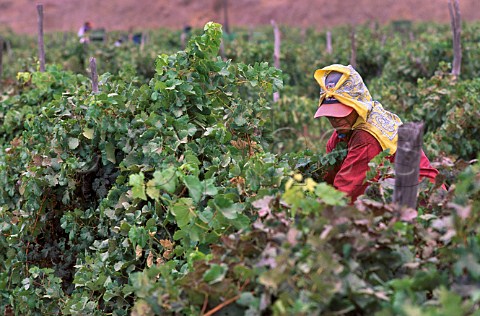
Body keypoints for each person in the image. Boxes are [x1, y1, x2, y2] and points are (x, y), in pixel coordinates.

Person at [313, 64, 441, 203]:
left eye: (342, 113)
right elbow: (329, 177)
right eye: (331, 115)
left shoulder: (366, 137)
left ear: (357, 107)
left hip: (425, 200)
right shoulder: (342, 132)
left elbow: (346, 191)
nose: (335, 120)